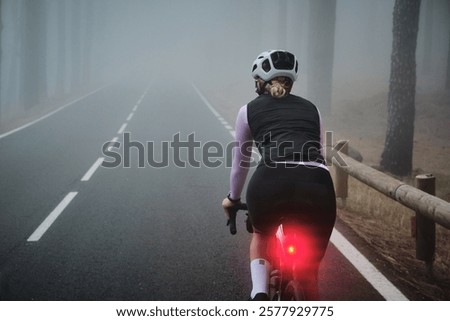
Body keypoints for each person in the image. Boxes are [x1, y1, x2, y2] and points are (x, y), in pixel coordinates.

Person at [222, 50, 336, 300]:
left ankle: (259, 294)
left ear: (261, 82)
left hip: (269, 183)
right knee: (309, 273)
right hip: (317, 186)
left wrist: (232, 198)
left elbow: (240, 163)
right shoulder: (312, 109)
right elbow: (320, 153)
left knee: (262, 234)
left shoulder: (247, 111)